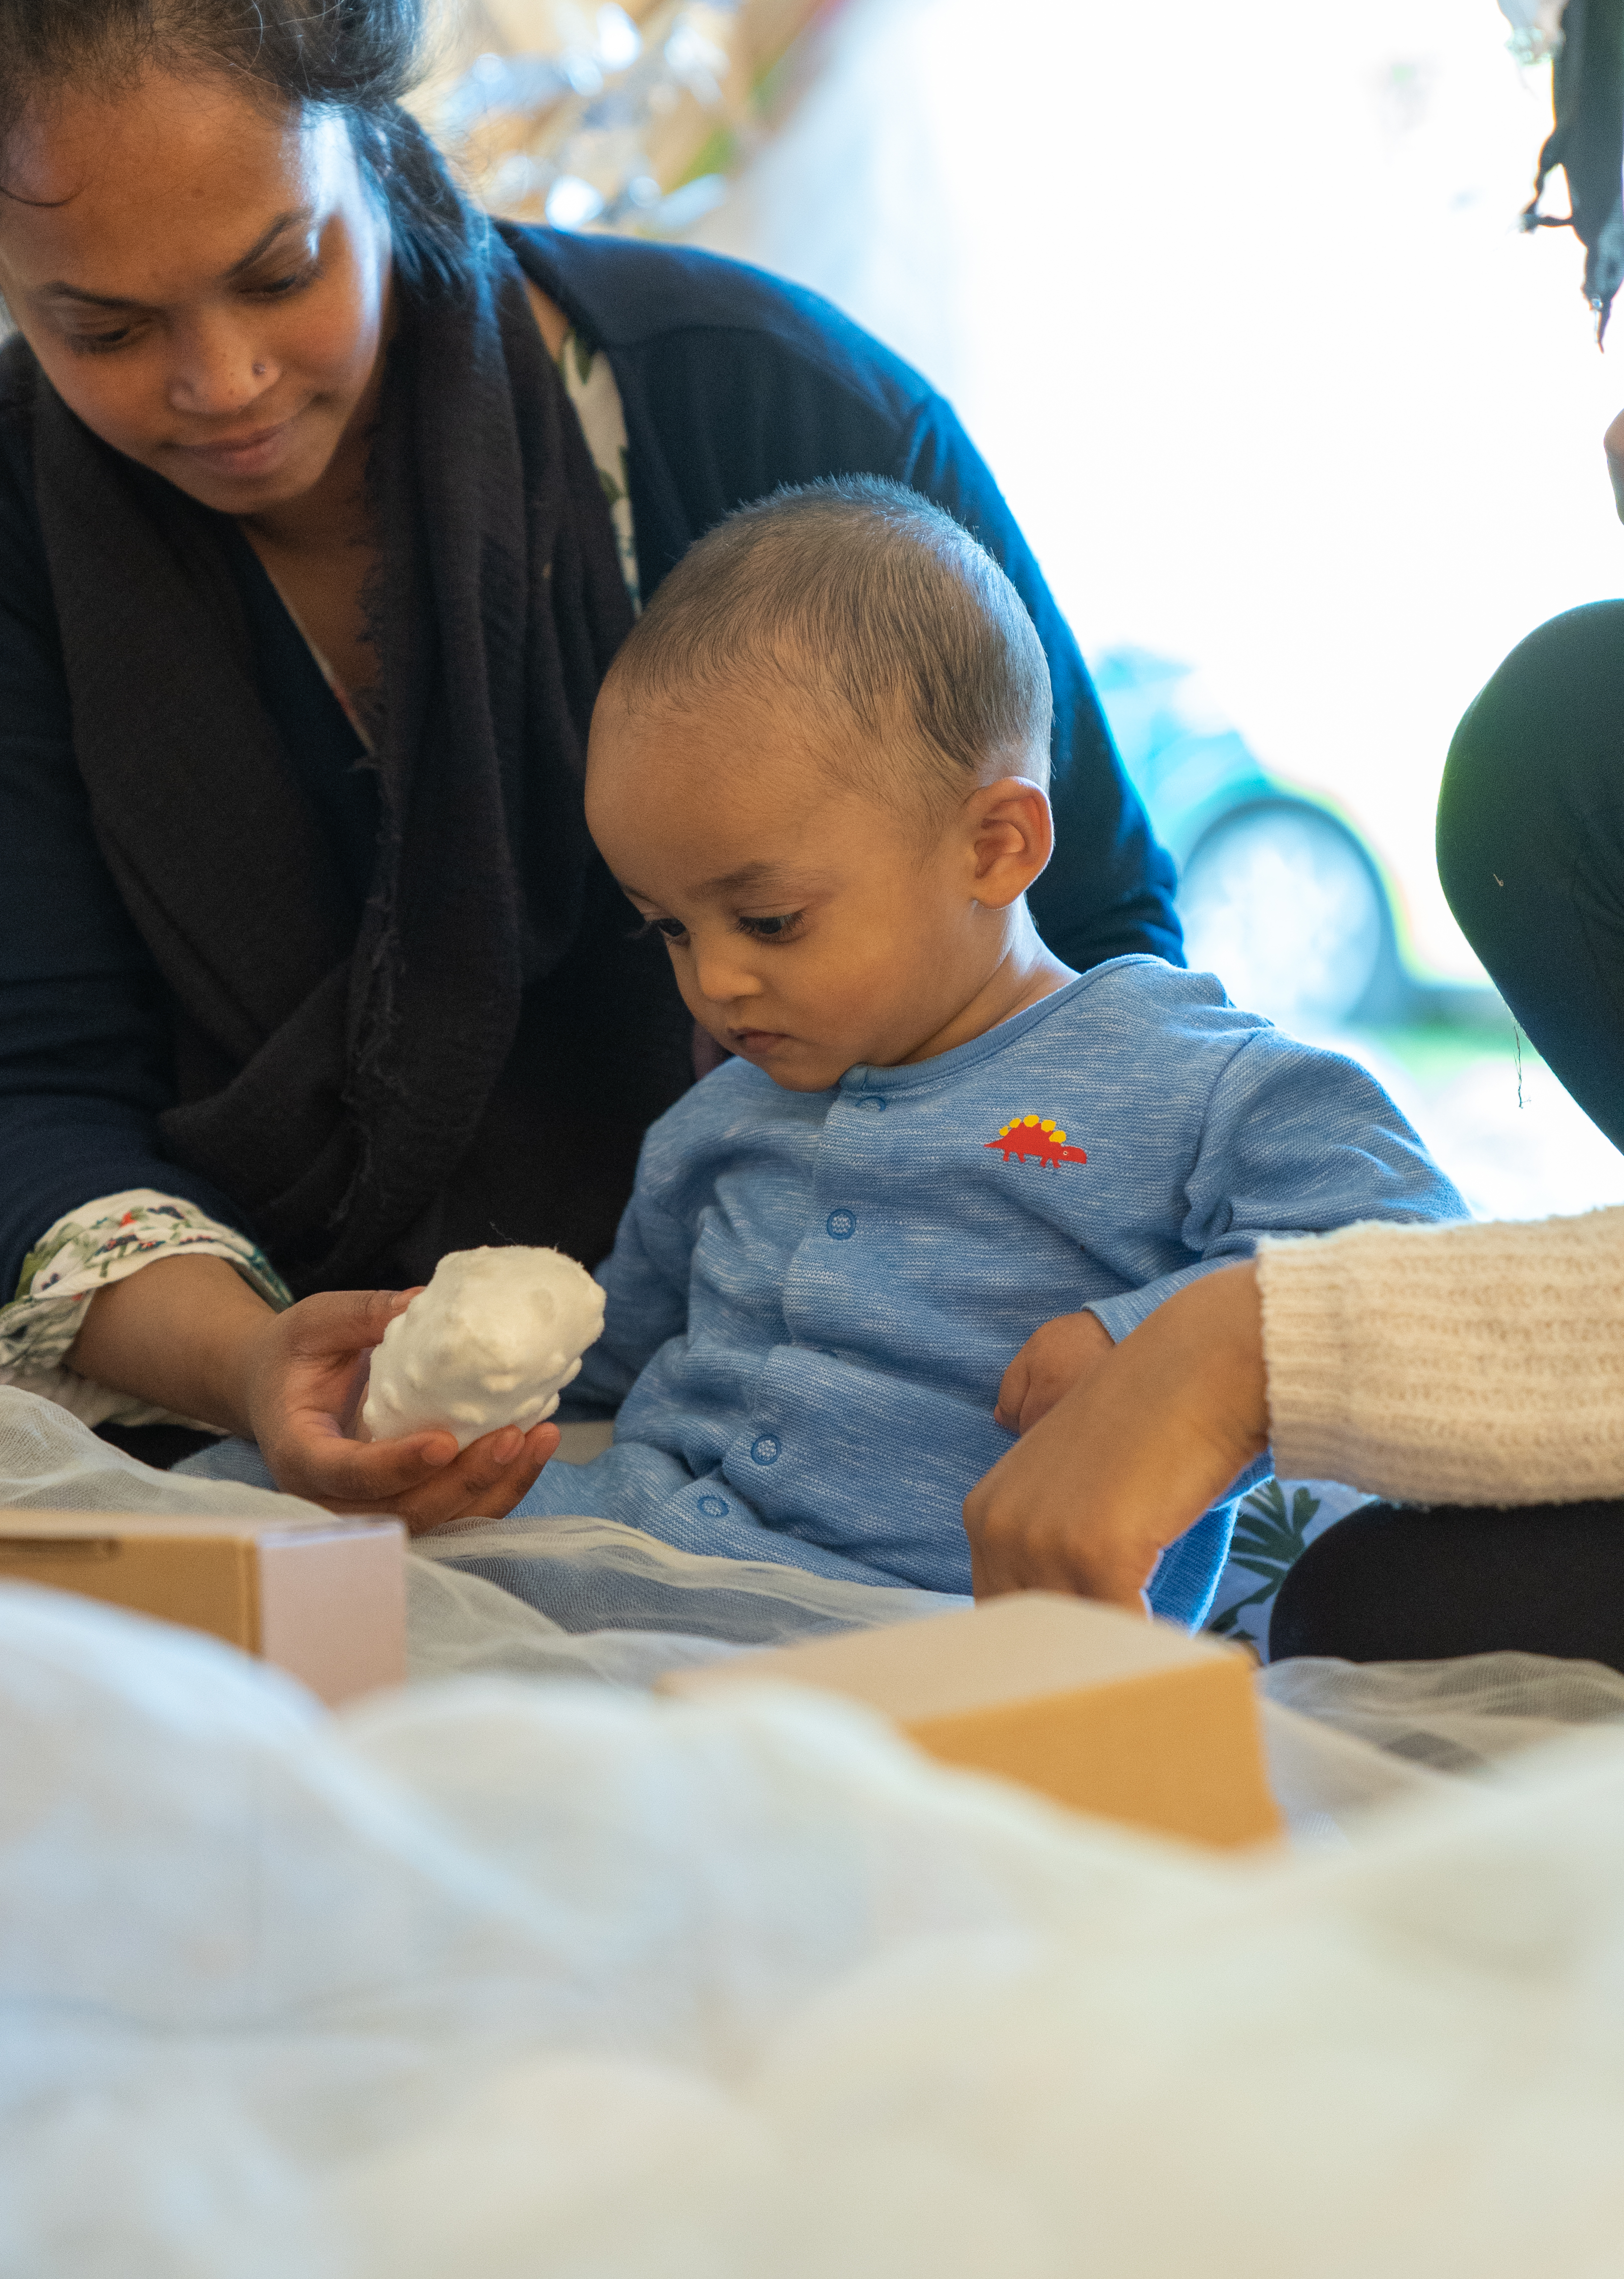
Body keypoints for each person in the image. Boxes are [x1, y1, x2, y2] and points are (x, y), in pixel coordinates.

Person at [0, 0, 1179, 1530]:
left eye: (279, 271)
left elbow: (1110, 932)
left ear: (370, 134)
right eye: (95, 327)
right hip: (228, 1284)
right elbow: (9, 1077)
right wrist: (245, 1362)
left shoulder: (750, 412)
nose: (218, 382)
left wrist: (913, 1254)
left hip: (796, 1238)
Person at [464, 482, 1461, 1622]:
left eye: (770, 920)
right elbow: (602, 1359)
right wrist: (452, 1376)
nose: (714, 982)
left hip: (924, 1642)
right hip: (624, 1561)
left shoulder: (1175, 1073)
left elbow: (1414, 1259)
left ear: (995, 847)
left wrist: (1149, 1340)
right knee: (249, 1494)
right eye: (673, 929)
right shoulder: (712, 1121)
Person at [963, 411, 1624, 1658]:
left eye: (773, 917)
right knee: (1382, 1605)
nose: (1613, 434)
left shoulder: (1188, 1078)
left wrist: (1257, 1341)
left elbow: (1389, 1211)